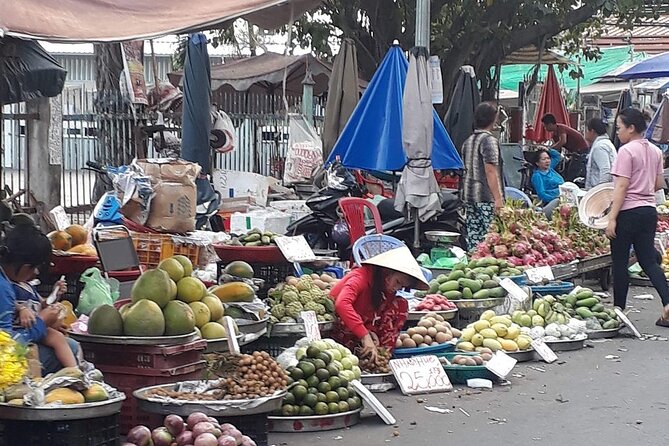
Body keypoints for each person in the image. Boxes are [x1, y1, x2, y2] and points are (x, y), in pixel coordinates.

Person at [605, 108, 669, 327]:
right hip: (648, 210)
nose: (618, 132)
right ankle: (668, 303)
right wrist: (643, 185)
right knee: (648, 260)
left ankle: (619, 312)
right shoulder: (655, 151)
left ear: (631, 128)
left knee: (620, 263)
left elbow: (621, 186)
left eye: (620, 127)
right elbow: (659, 184)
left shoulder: (626, 151)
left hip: (628, 211)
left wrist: (612, 218)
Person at [0, 225, 80, 374]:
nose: (36, 273)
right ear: (25, 267)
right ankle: (75, 376)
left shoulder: (14, 282)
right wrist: (41, 323)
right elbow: (7, 347)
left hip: (19, 334)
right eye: (35, 268)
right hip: (7, 355)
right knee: (70, 347)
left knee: (67, 343)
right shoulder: (4, 288)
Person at [329, 245, 429, 362]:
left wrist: (370, 331)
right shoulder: (360, 278)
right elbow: (342, 304)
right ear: (387, 273)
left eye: (401, 286)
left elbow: (372, 313)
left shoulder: (383, 288)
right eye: (397, 282)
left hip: (358, 328)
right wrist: (364, 335)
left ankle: (380, 357)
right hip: (338, 327)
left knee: (401, 305)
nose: (396, 288)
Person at [460, 102, 505, 251]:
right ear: (493, 119)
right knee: (493, 241)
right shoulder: (489, 141)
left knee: (475, 242)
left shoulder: (468, 141)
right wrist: (498, 199)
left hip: (469, 197)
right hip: (486, 198)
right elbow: (490, 170)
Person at [541, 113, 589, 181]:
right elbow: (557, 149)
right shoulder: (554, 135)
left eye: (545, 126)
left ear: (550, 124)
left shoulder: (560, 128)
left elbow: (563, 141)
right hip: (574, 152)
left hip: (581, 150)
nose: (545, 128)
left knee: (572, 172)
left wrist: (549, 149)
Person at [584, 118, 617, 190]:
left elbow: (605, 171)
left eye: (586, 131)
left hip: (600, 192)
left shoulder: (600, 147)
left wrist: (600, 192)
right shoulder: (606, 143)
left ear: (592, 131)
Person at [532, 149, 565, 218]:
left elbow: (557, 156)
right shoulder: (537, 176)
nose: (547, 161)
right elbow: (542, 194)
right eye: (543, 159)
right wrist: (555, 198)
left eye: (548, 158)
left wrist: (547, 149)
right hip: (551, 202)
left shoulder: (550, 169)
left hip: (563, 196)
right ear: (537, 163)